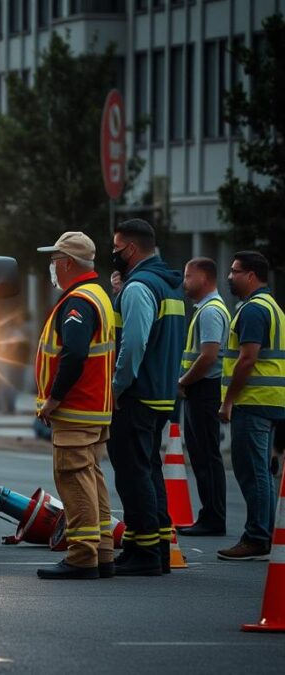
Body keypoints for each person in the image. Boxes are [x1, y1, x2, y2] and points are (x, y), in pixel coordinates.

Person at [33, 233, 116, 580]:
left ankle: (82, 556)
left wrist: (54, 398)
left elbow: (75, 353)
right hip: (95, 408)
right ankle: (103, 551)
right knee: (91, 476)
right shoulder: (98, 295)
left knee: (73, 477)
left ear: (67, 263)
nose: (52, 267)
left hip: (77, 409)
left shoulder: (78, 302)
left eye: (54, 260)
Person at [108, 219, 185, 576]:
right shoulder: (167, 286)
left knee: (133, 474)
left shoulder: (140, 287)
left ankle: (146, 555)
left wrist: (116, 388)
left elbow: (134, 343)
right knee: (148, 471)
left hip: (136, 395)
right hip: (159, 392)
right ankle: (151, 546)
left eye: (116, 248)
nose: (114, 254)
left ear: (131, 250)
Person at [217, 251, 285, 561]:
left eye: (235, 271)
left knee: (253, 470)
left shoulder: (254, 310)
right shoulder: (272, 307)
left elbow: (247, 358)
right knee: (261, 471)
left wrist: (229, 401)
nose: (230, 276)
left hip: (253, 401)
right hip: (269, 402)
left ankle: (257, 537)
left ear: (251, 276)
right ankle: (264, 534)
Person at [176, 257, 230, 537]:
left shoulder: (210, 311)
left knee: (207, 457)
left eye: (188, 276)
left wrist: (184, 381)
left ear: (205, 278)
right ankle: (209, 516)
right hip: (200, 390)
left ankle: (213, 519)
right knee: (201, 456)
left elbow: (208, 356)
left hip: (204, 390)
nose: (184, 282)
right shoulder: (204, 309)